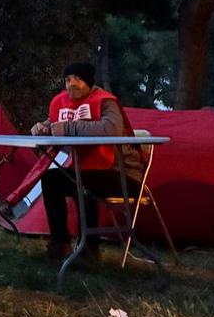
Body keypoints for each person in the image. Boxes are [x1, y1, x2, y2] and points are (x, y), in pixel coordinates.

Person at [31, 62, 143, 260]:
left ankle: (89, 247)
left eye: (78, 79)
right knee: (51, 179)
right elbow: (55, 123)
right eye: (68, 79)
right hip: (90, 172)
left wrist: (67, 129)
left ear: (89, 82)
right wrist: (42, 127)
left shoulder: (105, 102)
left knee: (81, 182)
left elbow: (111, 129)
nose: (72, 84)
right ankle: (60, 242)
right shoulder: (63, 102)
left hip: (122, 174)